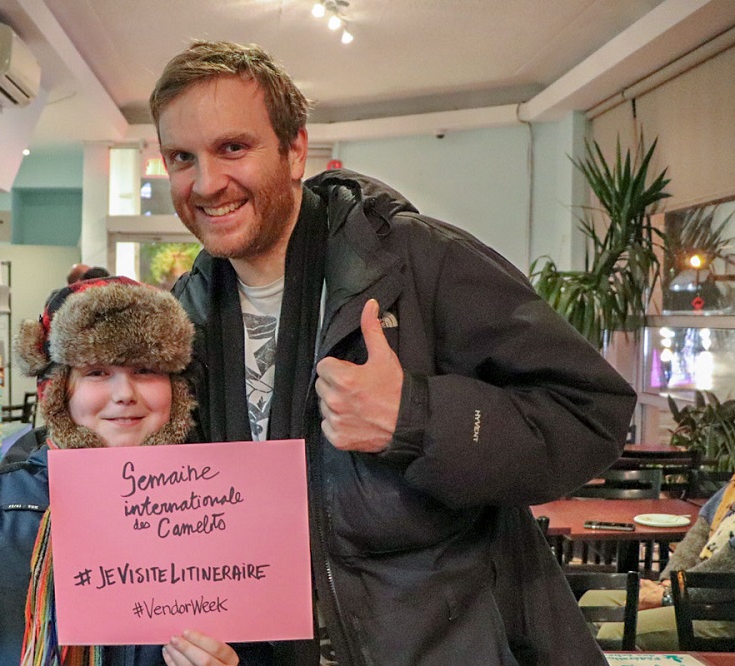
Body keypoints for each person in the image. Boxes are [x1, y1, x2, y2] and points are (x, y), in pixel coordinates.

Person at [150, 40, 637, 665]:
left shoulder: (415, 261)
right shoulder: (183, 318)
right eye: (181, 157)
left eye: (233, 148)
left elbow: (591, 414)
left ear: (296, 149)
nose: (207, 182)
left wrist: (415, 418)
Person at [0, 277, 273, 666]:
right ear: (58, 390)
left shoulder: (217, 505)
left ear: (177, 387)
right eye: (97, 372)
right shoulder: (1, 502)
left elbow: (260, 632)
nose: (124, 393)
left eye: (146, 370)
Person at [580, 472, 735, 649]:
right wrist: (669, 581)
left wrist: (669, 595)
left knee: (616, 633)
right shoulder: (731, 488)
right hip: (698, 594)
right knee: (591, 603)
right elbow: (700, 531)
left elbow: (729, 567)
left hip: (724, 611)